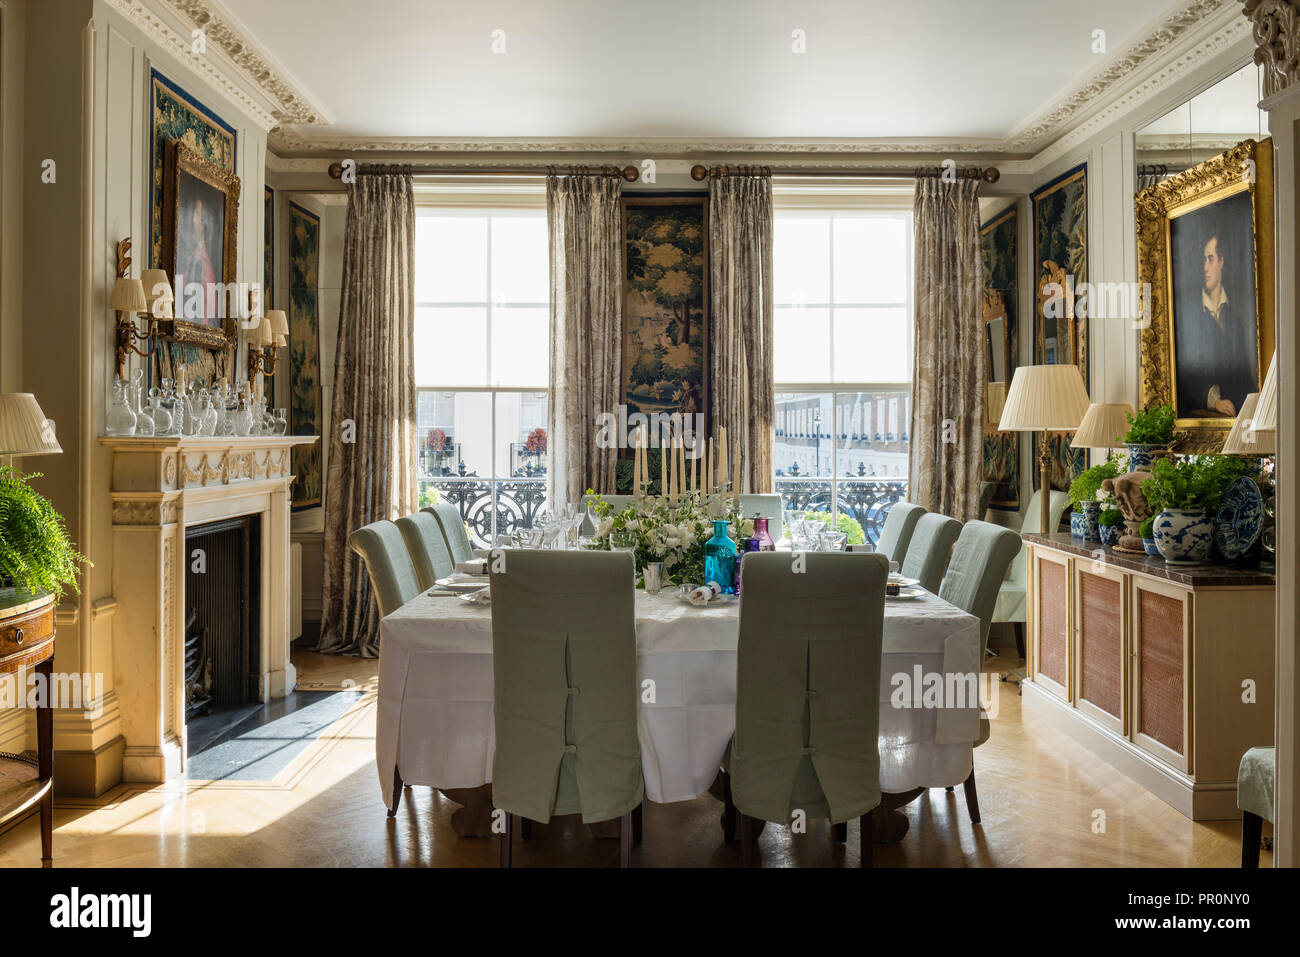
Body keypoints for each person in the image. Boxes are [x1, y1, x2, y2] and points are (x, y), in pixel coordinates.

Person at [1175, 231, 1257, 417]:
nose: (1205, 267)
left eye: (1210, 259)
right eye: (1203, 260)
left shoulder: (1234, 321)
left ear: (1221, 262)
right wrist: (1215, 401)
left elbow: (1244, 376)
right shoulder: (1192, 316)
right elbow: (1186, 378)